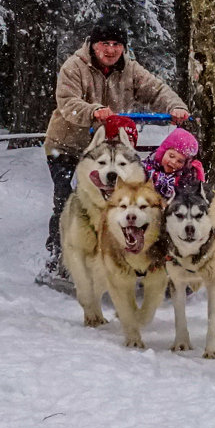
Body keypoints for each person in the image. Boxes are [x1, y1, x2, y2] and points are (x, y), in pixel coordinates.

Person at [42, 20, 190, 275]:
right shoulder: (75, 67)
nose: (110, 50)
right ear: (93, 45)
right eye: (105, 44)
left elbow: (156, 90)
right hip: (69, 146)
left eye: (116, 45)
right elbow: (67, 102)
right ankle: (60, 254)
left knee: (117, 201)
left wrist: (175, 106)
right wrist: (93, 111)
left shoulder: (130, 69)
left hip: (111, 151)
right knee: (68, 199)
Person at [140, 127, 205, 200]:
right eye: (171, 156)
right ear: (163, 152)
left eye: (180, 161)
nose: (173, 162)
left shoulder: (184, 179)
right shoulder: (145, 169)